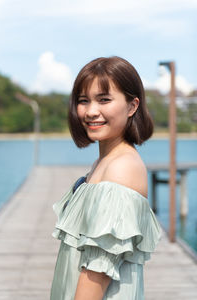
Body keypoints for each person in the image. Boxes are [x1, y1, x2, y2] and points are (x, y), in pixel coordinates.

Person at [50, 56, 162, 300]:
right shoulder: (104, 162)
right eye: (83, 101)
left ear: (132, 106)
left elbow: (97, 272)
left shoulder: (122, 168)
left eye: (104, 100)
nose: (91, 111)